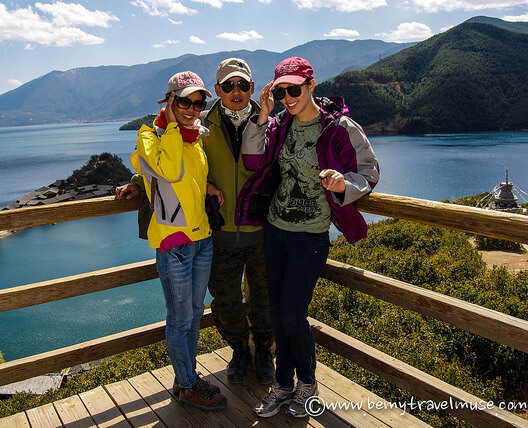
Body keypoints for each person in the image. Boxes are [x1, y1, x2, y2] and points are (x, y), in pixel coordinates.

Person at [240, 56, 379, 418]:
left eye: (294, 89)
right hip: (275, 231)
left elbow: (369, 171)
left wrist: (342, 184)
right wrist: (261, 115)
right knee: (276, 313)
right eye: (281, 90)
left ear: (311, 84)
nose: (288, 97)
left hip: (310, 236)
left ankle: (308, 385)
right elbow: (253, 162)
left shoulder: (339, 127)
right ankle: (283, 385)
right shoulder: (279, 123)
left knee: (292, 316)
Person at [127, 71, 227, 411]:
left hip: (202, 239)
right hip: (174, 245)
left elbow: (190, 180)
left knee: (196, 313)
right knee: (180, 318)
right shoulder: (148, 136)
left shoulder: (195, 137)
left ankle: (185, 375)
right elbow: (168, 171)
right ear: (169, 100)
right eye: (184, 101)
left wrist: (209, 187)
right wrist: (170, 124)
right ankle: (187, 385)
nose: (192, 109)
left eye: (198, 103)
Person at [199, 58, 275, 385]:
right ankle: (240, 349)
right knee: (226, 301)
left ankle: (262, 351)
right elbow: (170, 161)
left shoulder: (271, 123)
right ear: (217, 89)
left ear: (252, 88)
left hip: (262, 233)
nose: (236, 91)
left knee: (266, 298)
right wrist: (135, 180)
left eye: (243, 84)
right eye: (228, 85)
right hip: (221, 233)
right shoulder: (201, 125)